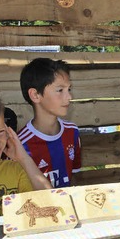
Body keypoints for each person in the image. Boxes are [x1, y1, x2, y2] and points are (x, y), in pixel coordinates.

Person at [18, 58, 81, 188]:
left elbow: (73, 177)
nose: (69, 97)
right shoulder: (20, 145)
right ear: (35, 95)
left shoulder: (72, 132)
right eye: (60, 90)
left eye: (69, 89)